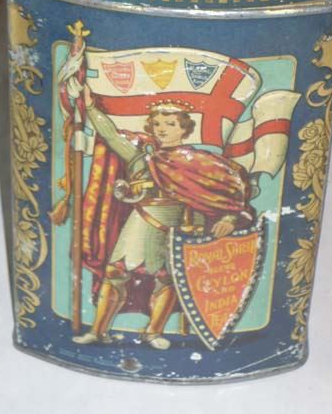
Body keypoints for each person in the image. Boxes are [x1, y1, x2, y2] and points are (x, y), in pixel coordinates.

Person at [73, 85, 255, 350]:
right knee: (114, 272)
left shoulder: (203, 162)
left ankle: (153, 333)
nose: (161, 129)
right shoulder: (141, 159)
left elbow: (228, 196)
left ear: (184, 129)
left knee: (168, 279)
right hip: (142, 222)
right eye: (157, 123)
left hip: (180, 224)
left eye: (170, 124)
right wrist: (90, 107)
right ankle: (98, 331)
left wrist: (229, 219)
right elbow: (110, 135)